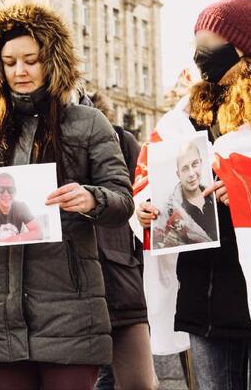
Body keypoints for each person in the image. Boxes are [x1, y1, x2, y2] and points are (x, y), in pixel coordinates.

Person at [0, 0, 134, 390]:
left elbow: (122, 199)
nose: (20, 71)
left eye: (31, 59)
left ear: (51, 60)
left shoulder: (88, 123)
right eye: (10, 63)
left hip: (70, 308)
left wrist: (93, 198)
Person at [136, 0, 251, 389]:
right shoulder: (181, 118)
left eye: (210, 37)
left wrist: (247, 188)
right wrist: (144, 206)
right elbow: (145, 177)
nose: (199, 48)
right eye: (197, 37)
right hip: (204, 291)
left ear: (242, 45)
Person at [89, 92, 156, 390]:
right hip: (80, 278)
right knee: (98, 373)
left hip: (120, 273)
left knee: (135, 379)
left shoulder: (121, 141)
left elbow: (145, 188)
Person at [153, 142, 215, 250]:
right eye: (185, 169)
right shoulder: (169, 211)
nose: (191, 173)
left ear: (201, 163)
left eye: (195, 164)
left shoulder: (215, 197)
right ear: (178, 174)